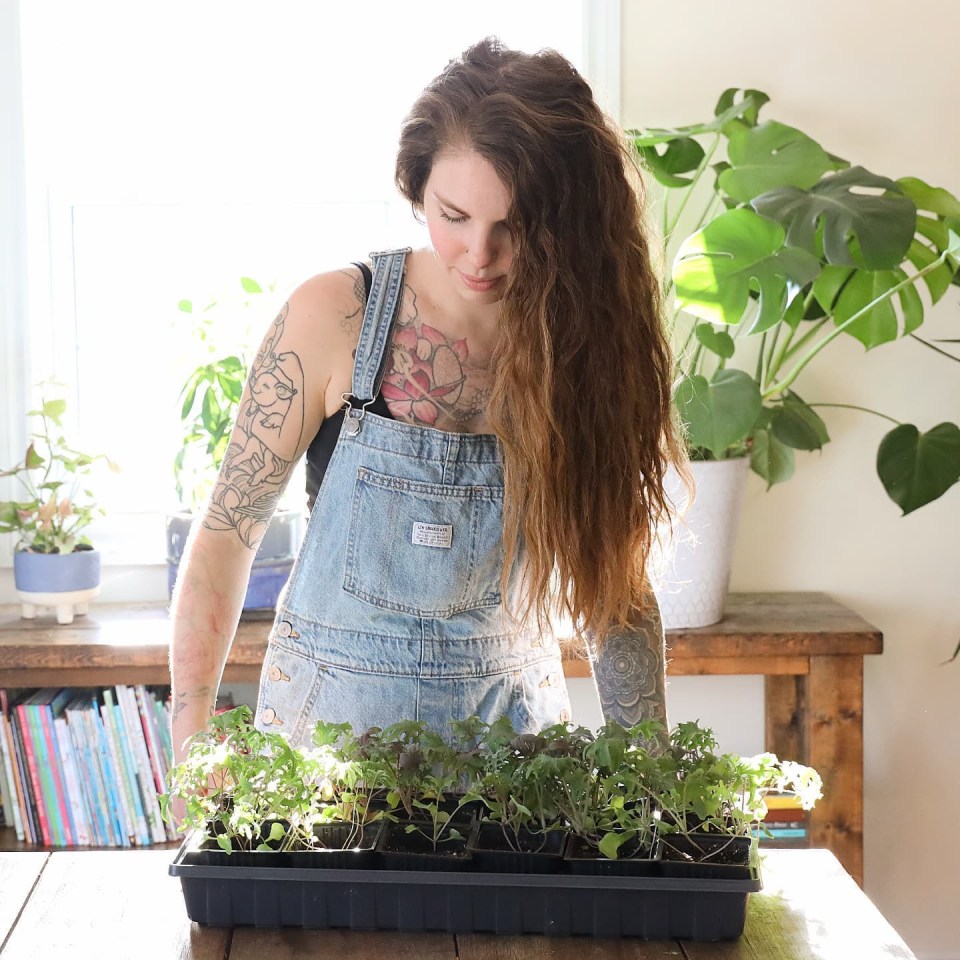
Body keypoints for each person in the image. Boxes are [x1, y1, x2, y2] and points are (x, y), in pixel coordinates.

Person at [169, 37, 684, 767]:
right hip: (328, 765)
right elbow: (226, 538)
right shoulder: (334, 317)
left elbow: (614, 588)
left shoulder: (590, 348)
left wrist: (651, 775)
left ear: (568, 224)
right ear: (416, 187)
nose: (480, 253)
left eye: (516, 227)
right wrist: (192, 740)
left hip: (519, 768)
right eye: (454, 216)